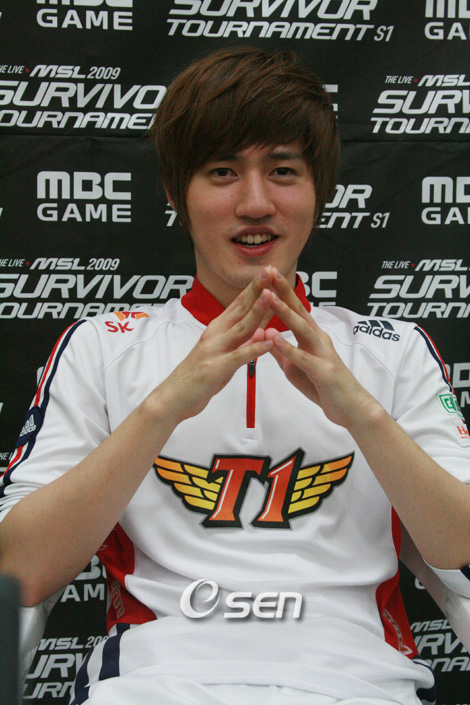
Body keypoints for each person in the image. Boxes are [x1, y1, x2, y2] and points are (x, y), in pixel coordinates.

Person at [1, 46, 470, 705]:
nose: (255, 202)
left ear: (319, 189)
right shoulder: (102, 348)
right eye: (222, 171)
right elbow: (18, 568)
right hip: (152, 686)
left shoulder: (394, 351)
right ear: (175, 191)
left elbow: (462, 549)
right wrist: (163, 407)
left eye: (283, 171)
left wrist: (361, 413)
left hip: (361, 684)